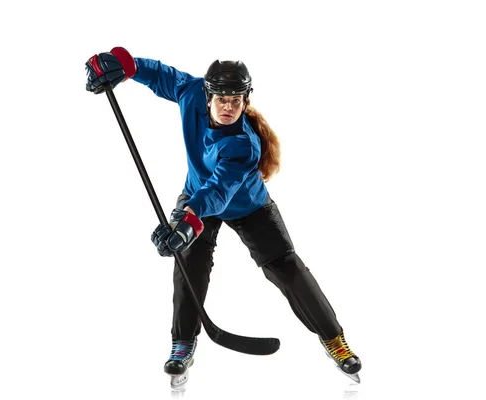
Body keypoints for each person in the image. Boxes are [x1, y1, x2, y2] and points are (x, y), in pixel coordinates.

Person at [85, 47, 362, 384]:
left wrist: (187, 222)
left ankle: (334, 339)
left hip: (246, 206)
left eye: (236, 100)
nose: (228, 106)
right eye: (221, 99)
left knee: (287, 268)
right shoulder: (190, 93)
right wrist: (125, 66)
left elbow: (219, 191)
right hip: (197, 199)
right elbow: (159, 74)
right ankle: (183, 343)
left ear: (246, 101)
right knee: (189, 264)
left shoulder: (243, 144)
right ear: (208, 95)